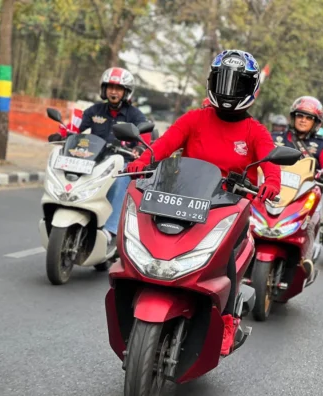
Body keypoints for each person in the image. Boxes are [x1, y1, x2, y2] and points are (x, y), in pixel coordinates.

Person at [127, 49, 281, 356]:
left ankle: (227, 319)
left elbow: (269, 162)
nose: (228, 90)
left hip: (226, 209)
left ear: (251, 89)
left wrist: (272, 184)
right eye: (223, 81)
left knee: (230, 259)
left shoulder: (255, 131)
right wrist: (143, 161)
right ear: (212, 82)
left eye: (236, 84)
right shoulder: (194, 118)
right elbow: (165, 144)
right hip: (179, 198)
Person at [53, 68, 147, 251]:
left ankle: (110, 231)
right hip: (95, 161)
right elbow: (75, 128)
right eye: (110, 87)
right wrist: (61, 135)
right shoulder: (94, 111)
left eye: (118, 88)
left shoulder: (134, 115)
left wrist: (139, 148)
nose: (113, 91)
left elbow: (145, 136)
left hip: (121, 162)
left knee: (122, 179)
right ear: (104, 89)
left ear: (126, 92)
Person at [271, 96, 323, 171]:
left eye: (309, 118)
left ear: (315, 123)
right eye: (300, 116)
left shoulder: (322, 145)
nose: (303, 120)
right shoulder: (273, 138)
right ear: (293, 117)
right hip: (274, 181)